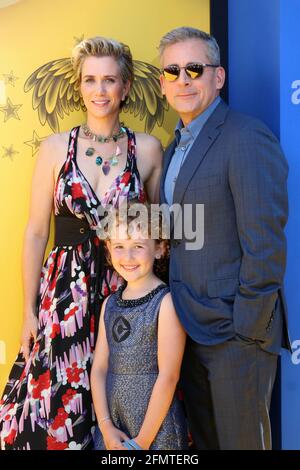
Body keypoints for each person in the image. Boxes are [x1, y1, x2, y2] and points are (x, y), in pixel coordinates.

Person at [0, 36, 162, 450]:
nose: (100, 90)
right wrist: (28, 310)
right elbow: (37, 231)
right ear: (79, 87)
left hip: (123, 289)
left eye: (109, 80)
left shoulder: (146, 150)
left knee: (122, 393)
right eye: (90, 80)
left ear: (125, 87)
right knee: (59, 396)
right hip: (64, 294)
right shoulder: (56, 149)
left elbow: (158, 232)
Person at [158, 27, 289, 450]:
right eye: (173, 70)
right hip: (188, 330)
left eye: (195, 68)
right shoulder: (172, 147)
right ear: (163, 83)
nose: (184, 79)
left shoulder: (245, 137)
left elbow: (265, 243)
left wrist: (245, 330)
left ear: (218, 77)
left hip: (235, 337)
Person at [91, 201, 188, 450]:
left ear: (159, 249)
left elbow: (169, 376)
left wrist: (142, 443)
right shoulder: (110, 304)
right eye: (120, 246)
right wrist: (106, 427)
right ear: (109, 249)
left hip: (154, 433)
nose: (128, 256)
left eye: (138, 246)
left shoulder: (165, 303)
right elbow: (99, 369)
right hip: (115, 429)